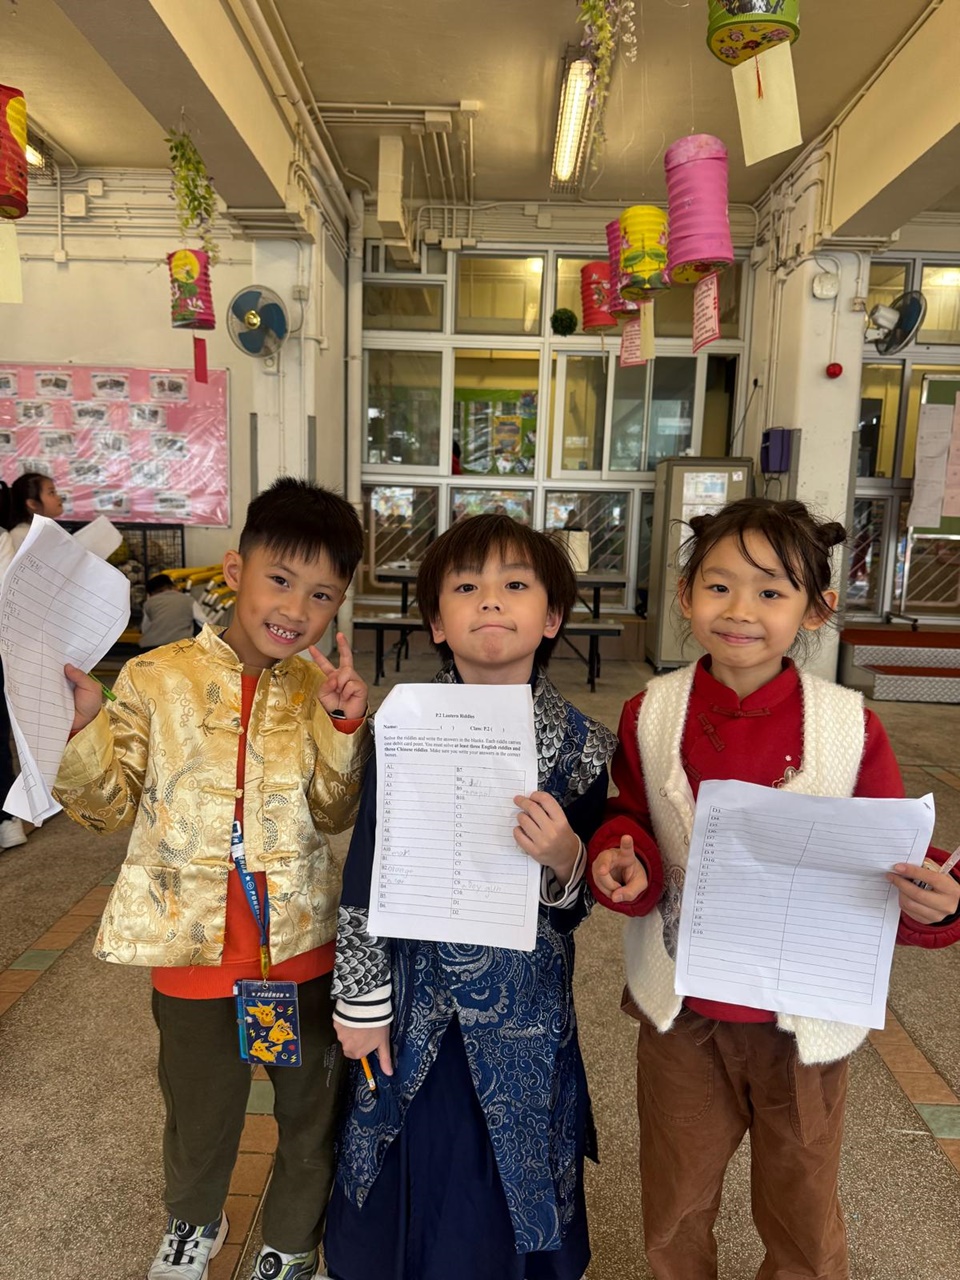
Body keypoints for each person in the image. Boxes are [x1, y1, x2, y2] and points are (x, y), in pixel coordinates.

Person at [586, 497, 960, 1280]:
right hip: (683, 1010)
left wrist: (935, 901)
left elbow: (892, 853)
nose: (741, 611)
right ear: (685, 594)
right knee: (676, 1200)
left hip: (804, 1022)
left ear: (815, 609)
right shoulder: (652, 714)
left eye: (770, 591)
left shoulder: (850, 726)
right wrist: (625, 859)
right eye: (719, 586)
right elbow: (631, 817)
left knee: (802, 1207)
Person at [53, 478, 373, 1280]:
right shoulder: (154, 678)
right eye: (280, 580)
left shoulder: (316, 691)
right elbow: (103, 809)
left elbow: (335, 813)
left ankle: (291, 1240)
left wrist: (344, 727)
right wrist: (86, 726)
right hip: (193, 959)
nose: (295, 609)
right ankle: (194, 1224)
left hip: (297, 956)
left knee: (309, 1116)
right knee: (200, 1116)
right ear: (235, 570)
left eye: (322, 595)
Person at [325, 514, 618, 1280]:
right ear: (436, 622)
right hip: (414, 998)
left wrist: (567, 859)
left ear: (551, 616)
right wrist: (360, 1003)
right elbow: (366, 866)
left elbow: (580, 904)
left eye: (515, 584)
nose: (490, 600)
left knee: (508, 1163)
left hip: (525, 1010)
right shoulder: (401, 727)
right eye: (465, 587)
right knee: (413, 1146)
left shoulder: (584, 747)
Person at [1, 471, 64, 550]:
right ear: (32, 504)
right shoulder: (19, 535)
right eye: (51, 493)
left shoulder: (50, 528)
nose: (59, 498)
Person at [139, 573, 202, 650]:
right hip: (180, 646)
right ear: (173, 586)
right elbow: (205, 622)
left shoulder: (149, 603)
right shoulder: (188, 600)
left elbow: (145, 629)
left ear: (151, 594)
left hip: (150, 647)